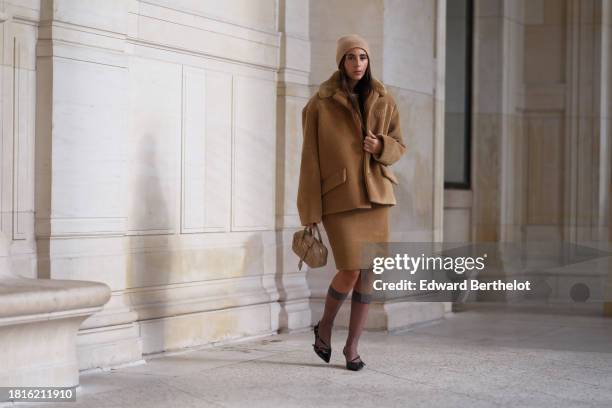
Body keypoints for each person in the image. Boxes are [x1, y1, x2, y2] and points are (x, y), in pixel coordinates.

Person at [297, 34, 406, 371]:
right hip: (340, 199)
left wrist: (381, 147)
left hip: (376, 197)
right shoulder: (319, 104)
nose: (358, 63)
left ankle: (352, 347)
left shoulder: (385, 100)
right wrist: (309, 211)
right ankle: (325, 326)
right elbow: (310, 160)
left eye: (363, 57)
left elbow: (400, 146)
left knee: (369, 273)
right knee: (349, 269)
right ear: (340, 61)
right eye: (350, 57)